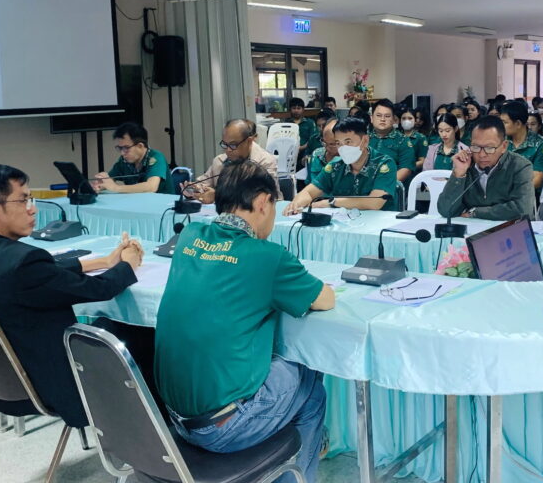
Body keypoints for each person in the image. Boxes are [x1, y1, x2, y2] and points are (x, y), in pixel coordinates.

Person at [155, 161, 334, 483]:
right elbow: (325, 300)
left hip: (170, 419)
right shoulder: (267, 256)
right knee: (310, 379)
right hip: (223, 428)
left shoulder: (189, 236)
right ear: (263, 202)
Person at [0, 164, 143, 427]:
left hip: (4, 382)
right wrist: (128, 264)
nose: (33, 209)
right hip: (55, 383)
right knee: (139, 333)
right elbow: (100, 289)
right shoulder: (25, 262)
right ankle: (158, 434)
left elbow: (43, 275)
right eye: (23, 200)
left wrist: (103, 262)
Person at [285, 117, 398, 213]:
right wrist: (296, 204)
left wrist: (331, 202)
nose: (343, 148)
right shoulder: (335, 166)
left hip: (378, 225)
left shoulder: (384, 164)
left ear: (365, 141)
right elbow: (308, 192)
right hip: (344, 224)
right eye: (338, 143)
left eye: (348, 142)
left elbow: (374, 202)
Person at [437, 116, 535, 220]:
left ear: (504, 146)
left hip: (510, 228)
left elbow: (523, 209)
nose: (482, 155)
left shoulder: (520, 166)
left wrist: (476, 212)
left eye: (489, 148)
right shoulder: (466, 164)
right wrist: (458, 175)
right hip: (474, 227)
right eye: (476, 147)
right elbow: (446, 210)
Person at [188, 119, 280, 204]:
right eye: (225, 144)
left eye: (233, 145)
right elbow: (202, 184)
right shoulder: (219, 161)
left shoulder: (265, 162)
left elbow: (265, 198)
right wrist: (193, 191)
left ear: (249, 141)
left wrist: (217, 196)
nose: (228, 150)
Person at [95, 122, 173, 194]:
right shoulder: (124, 160)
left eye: (126, 148)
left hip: (163, 203)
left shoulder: (156, 157)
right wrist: (101, 184)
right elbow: (110, 179)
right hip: (138, 202)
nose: (122, 153)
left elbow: (151, 187)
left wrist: (116, 188)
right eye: (120, 148)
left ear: (140, 146)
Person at [500, 101, 543, 192]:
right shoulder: (500, 141)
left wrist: (510, 190)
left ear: (518, 124)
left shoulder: (539, 145)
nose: (501, 126)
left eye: (505, 122)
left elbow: (537, 180)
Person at [367, 99, 416, 184]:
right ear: (371, 118)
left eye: (387, 116)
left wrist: (383, 185)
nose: (382, 119)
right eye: (378, 115)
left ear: (394, 119)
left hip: (391, 186)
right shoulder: (364, 139)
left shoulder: (402, 140)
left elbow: (406, 169)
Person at [307, 118, 339, 184]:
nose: (327, 148)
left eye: (332, 144)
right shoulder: (316, 155)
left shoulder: (349, 160)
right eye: (324, 142)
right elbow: (310, 183)